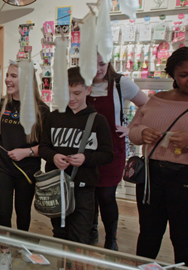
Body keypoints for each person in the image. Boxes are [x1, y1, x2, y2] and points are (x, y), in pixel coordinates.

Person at [39, 66, 114, 244]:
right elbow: (43, 147)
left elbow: (107, 155)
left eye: (77, 93)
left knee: (80, 236)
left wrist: (86, 159)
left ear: (88, 90)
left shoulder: (98, 120)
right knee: (59, 234)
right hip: (56, 186)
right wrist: (53, 157)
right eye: (66, 92)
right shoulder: (53, 117)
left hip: (84, 188)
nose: (71, 98)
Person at [129, 47, 188, 264]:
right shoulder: (156, 100)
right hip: (151, 176)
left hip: (184, 177)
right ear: (173, 74)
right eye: (183, 75)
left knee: (183, 236)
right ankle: (144, 268)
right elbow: (133, 131)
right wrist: (143, 133)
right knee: (149, 233)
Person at [0, 63, 50, 269]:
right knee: (3, 211)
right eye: (7, 75)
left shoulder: (41, 109)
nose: (8, 79)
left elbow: (46, 147)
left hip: (27, 169)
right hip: (1, 165)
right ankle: (5, 252)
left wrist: (26, 152)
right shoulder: (1, 104)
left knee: (23, 211)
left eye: (13, 76)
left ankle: (23, 246)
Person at [87, 54, 148, 250]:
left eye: (102, 64)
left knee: (106, 195)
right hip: (86, 149)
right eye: (93, 64)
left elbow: (147, 104)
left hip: (112, 149)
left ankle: (111, 238)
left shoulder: (120, 83)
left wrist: (131, 128)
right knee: (89, 194)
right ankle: (91, 229)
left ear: (109, 62)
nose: (98, 69)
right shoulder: (81, 83)